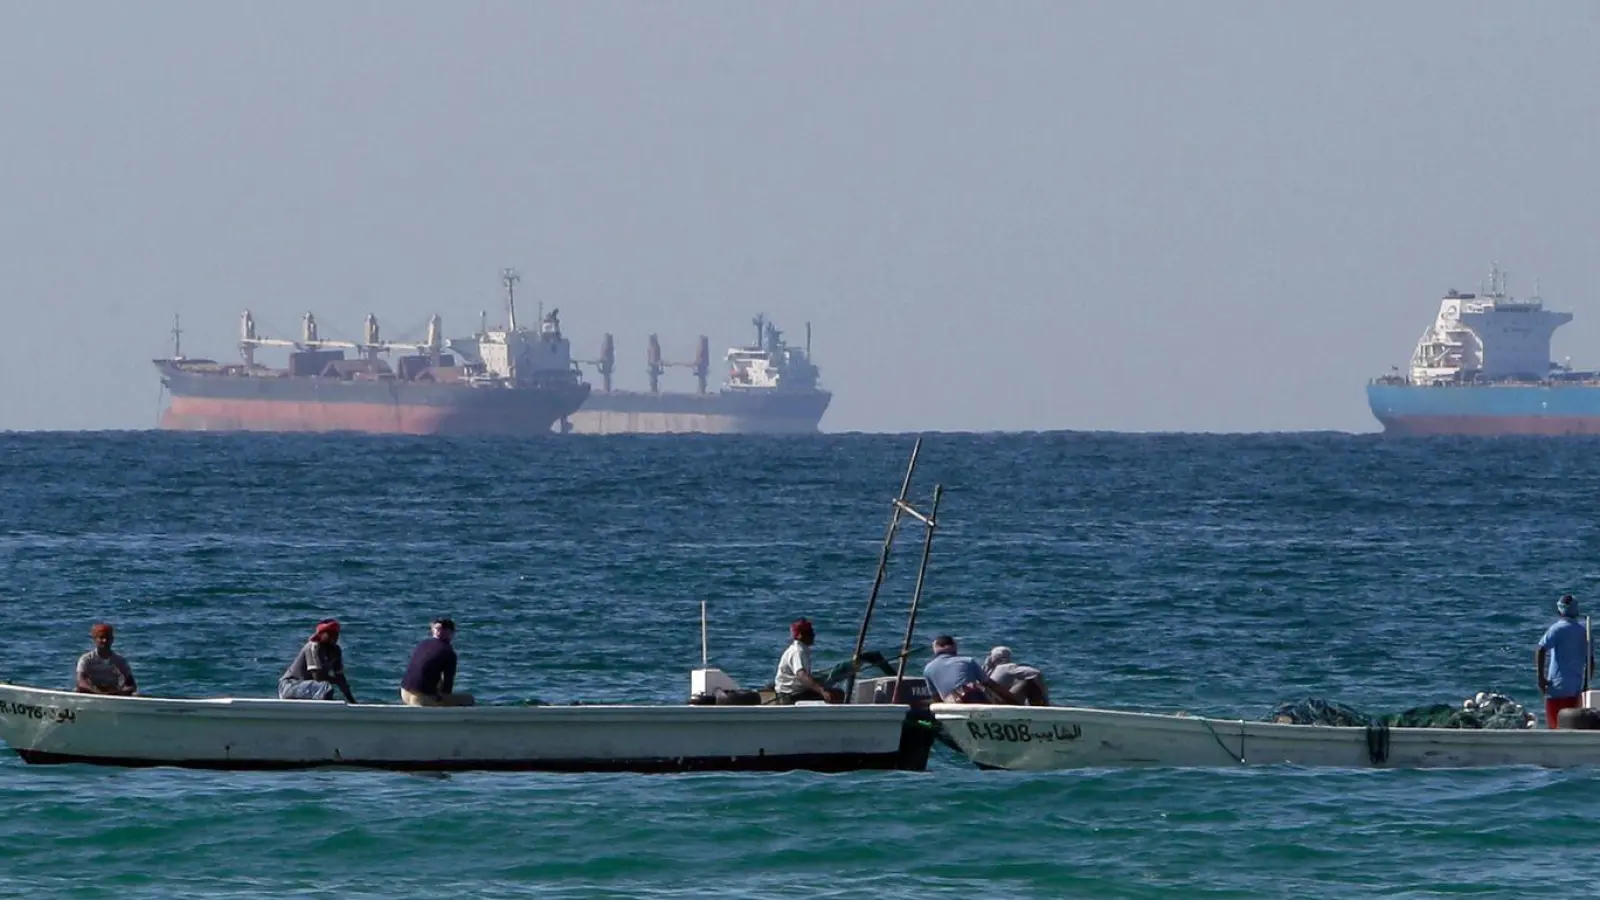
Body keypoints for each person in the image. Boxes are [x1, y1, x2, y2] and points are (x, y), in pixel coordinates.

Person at [1537, 594, 1593, 728]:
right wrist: (1586, 684)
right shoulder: (1584, 631)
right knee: (1571, 727)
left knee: (1555, 726)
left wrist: (1541, 678)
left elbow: (1540, 650)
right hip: (1576, 688)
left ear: (1559, 610)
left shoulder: (1557, 629)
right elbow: (1590, 660)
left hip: (1557, 688)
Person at [400, 617, 475, 707]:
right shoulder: (448, 652)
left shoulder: (422, 644)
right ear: (451, 633)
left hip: (404, 693)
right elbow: (447, 686)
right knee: (468, 699)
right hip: (421, 699)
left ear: (433, 630)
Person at [278, 618, 356, 703]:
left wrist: (353, 703)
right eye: (331, 634)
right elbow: (317, 677)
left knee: (325, 688)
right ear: (322, 635)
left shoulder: (335, 651)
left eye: (336, 634)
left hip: (308, 688)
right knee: (325, 688)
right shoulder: (313, 647)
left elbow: (341, 678)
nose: (335, 637)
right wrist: (337, 680)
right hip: (290, 686)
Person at [922, 635, 1017, 704]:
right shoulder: (967, 661)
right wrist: (1013, 701)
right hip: (972, 699)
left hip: (951, 704)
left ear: (935, 649)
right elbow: (991, 685)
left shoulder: (928, 668)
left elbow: (936, 698)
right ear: (954, 647)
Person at [773, 617, 842, 704]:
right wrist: (821, 691)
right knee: (837, 694)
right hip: (790, 695)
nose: (813, 635)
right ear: (801, 635)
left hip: (792, 691)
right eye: (810, 632)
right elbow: (801, 675)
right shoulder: (797, 651)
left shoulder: (801, 649)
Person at [75, 623, 137, 695]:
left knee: (135, 694)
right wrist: (97, 693)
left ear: (112, 640)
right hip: (91, 692)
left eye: (108, 638)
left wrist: (117, 693)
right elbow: (80, 681)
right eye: (101, 637)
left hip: (113, 693)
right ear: (95, 639)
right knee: (77, 690)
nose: (105, 640)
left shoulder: (120, 661)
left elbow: (131, 685)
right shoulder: (86, 659)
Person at [983, 646, 1051, 706]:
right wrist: (1046, 699)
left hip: (989, 700)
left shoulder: (988, 670)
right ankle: (1041, 707)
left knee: (1016, 682)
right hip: (1000, 702)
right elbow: (1036, 673)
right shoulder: (1006, 667)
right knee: (1028, 682)